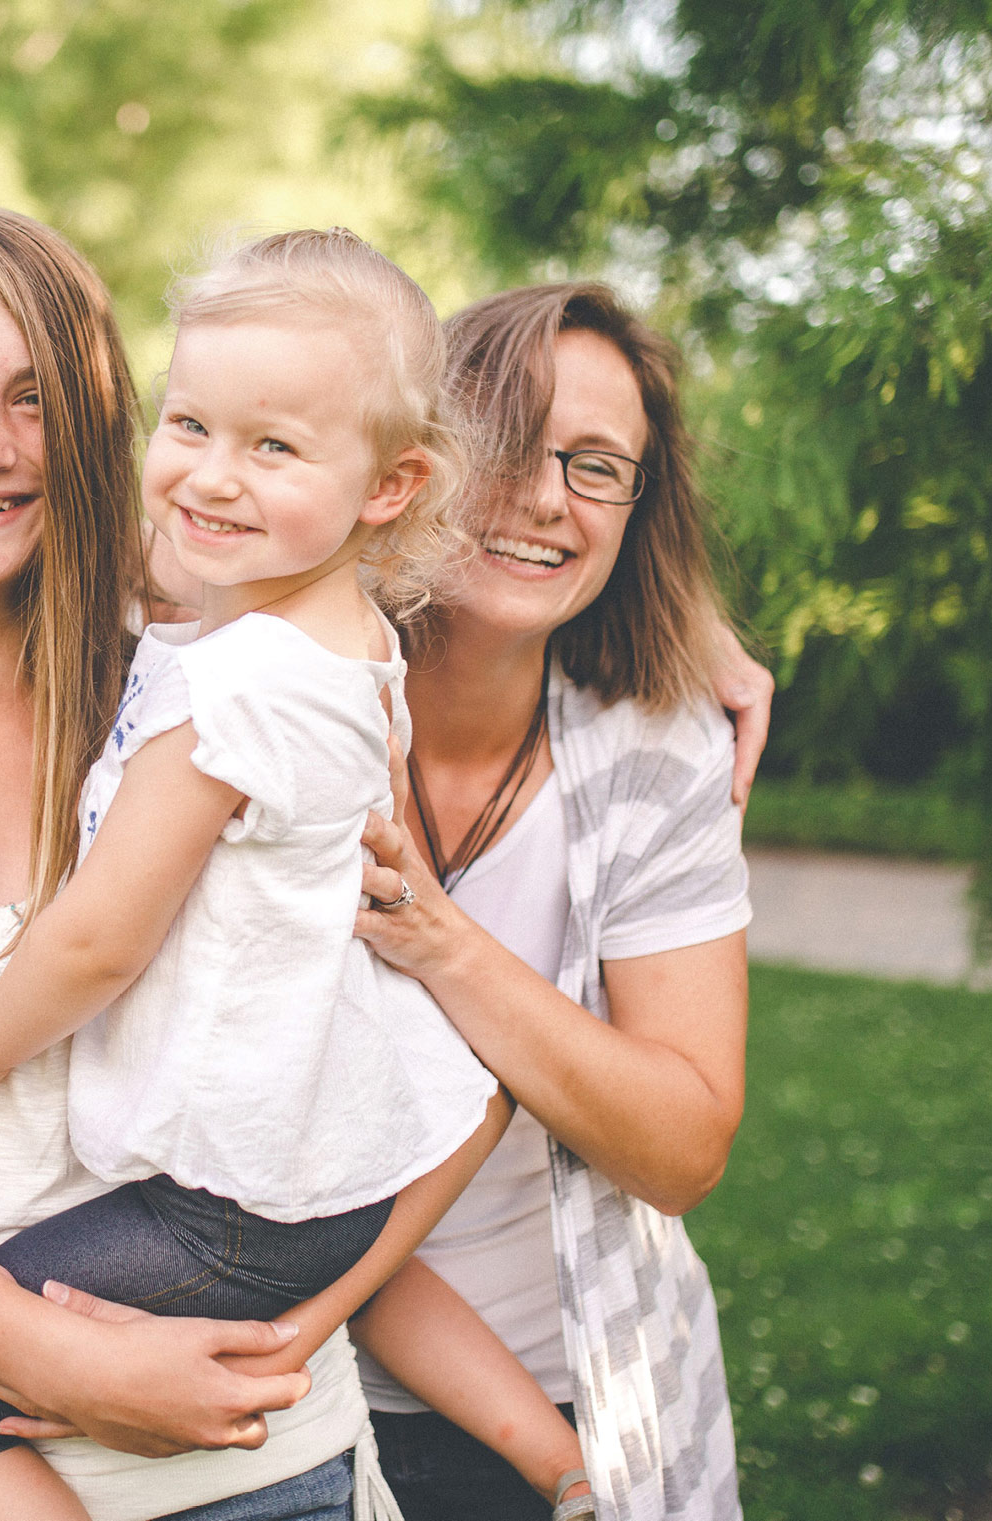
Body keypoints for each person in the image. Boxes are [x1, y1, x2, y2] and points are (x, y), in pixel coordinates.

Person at [0, 207, 512, 1521]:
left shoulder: (215, 678)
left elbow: (416, 1070)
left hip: (255, 1460)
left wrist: (308, 1324)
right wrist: (58, 1360)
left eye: (32, 398)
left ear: (91, 425)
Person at [339, 283, 755, 1521]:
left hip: (581, 1383)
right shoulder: (281, 687)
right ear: (415, 454)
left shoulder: (653, 750)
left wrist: (446, 945)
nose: (544, 497)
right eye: (509, 443)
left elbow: (682, 1147)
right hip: (282, 1389)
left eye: (596, 467)